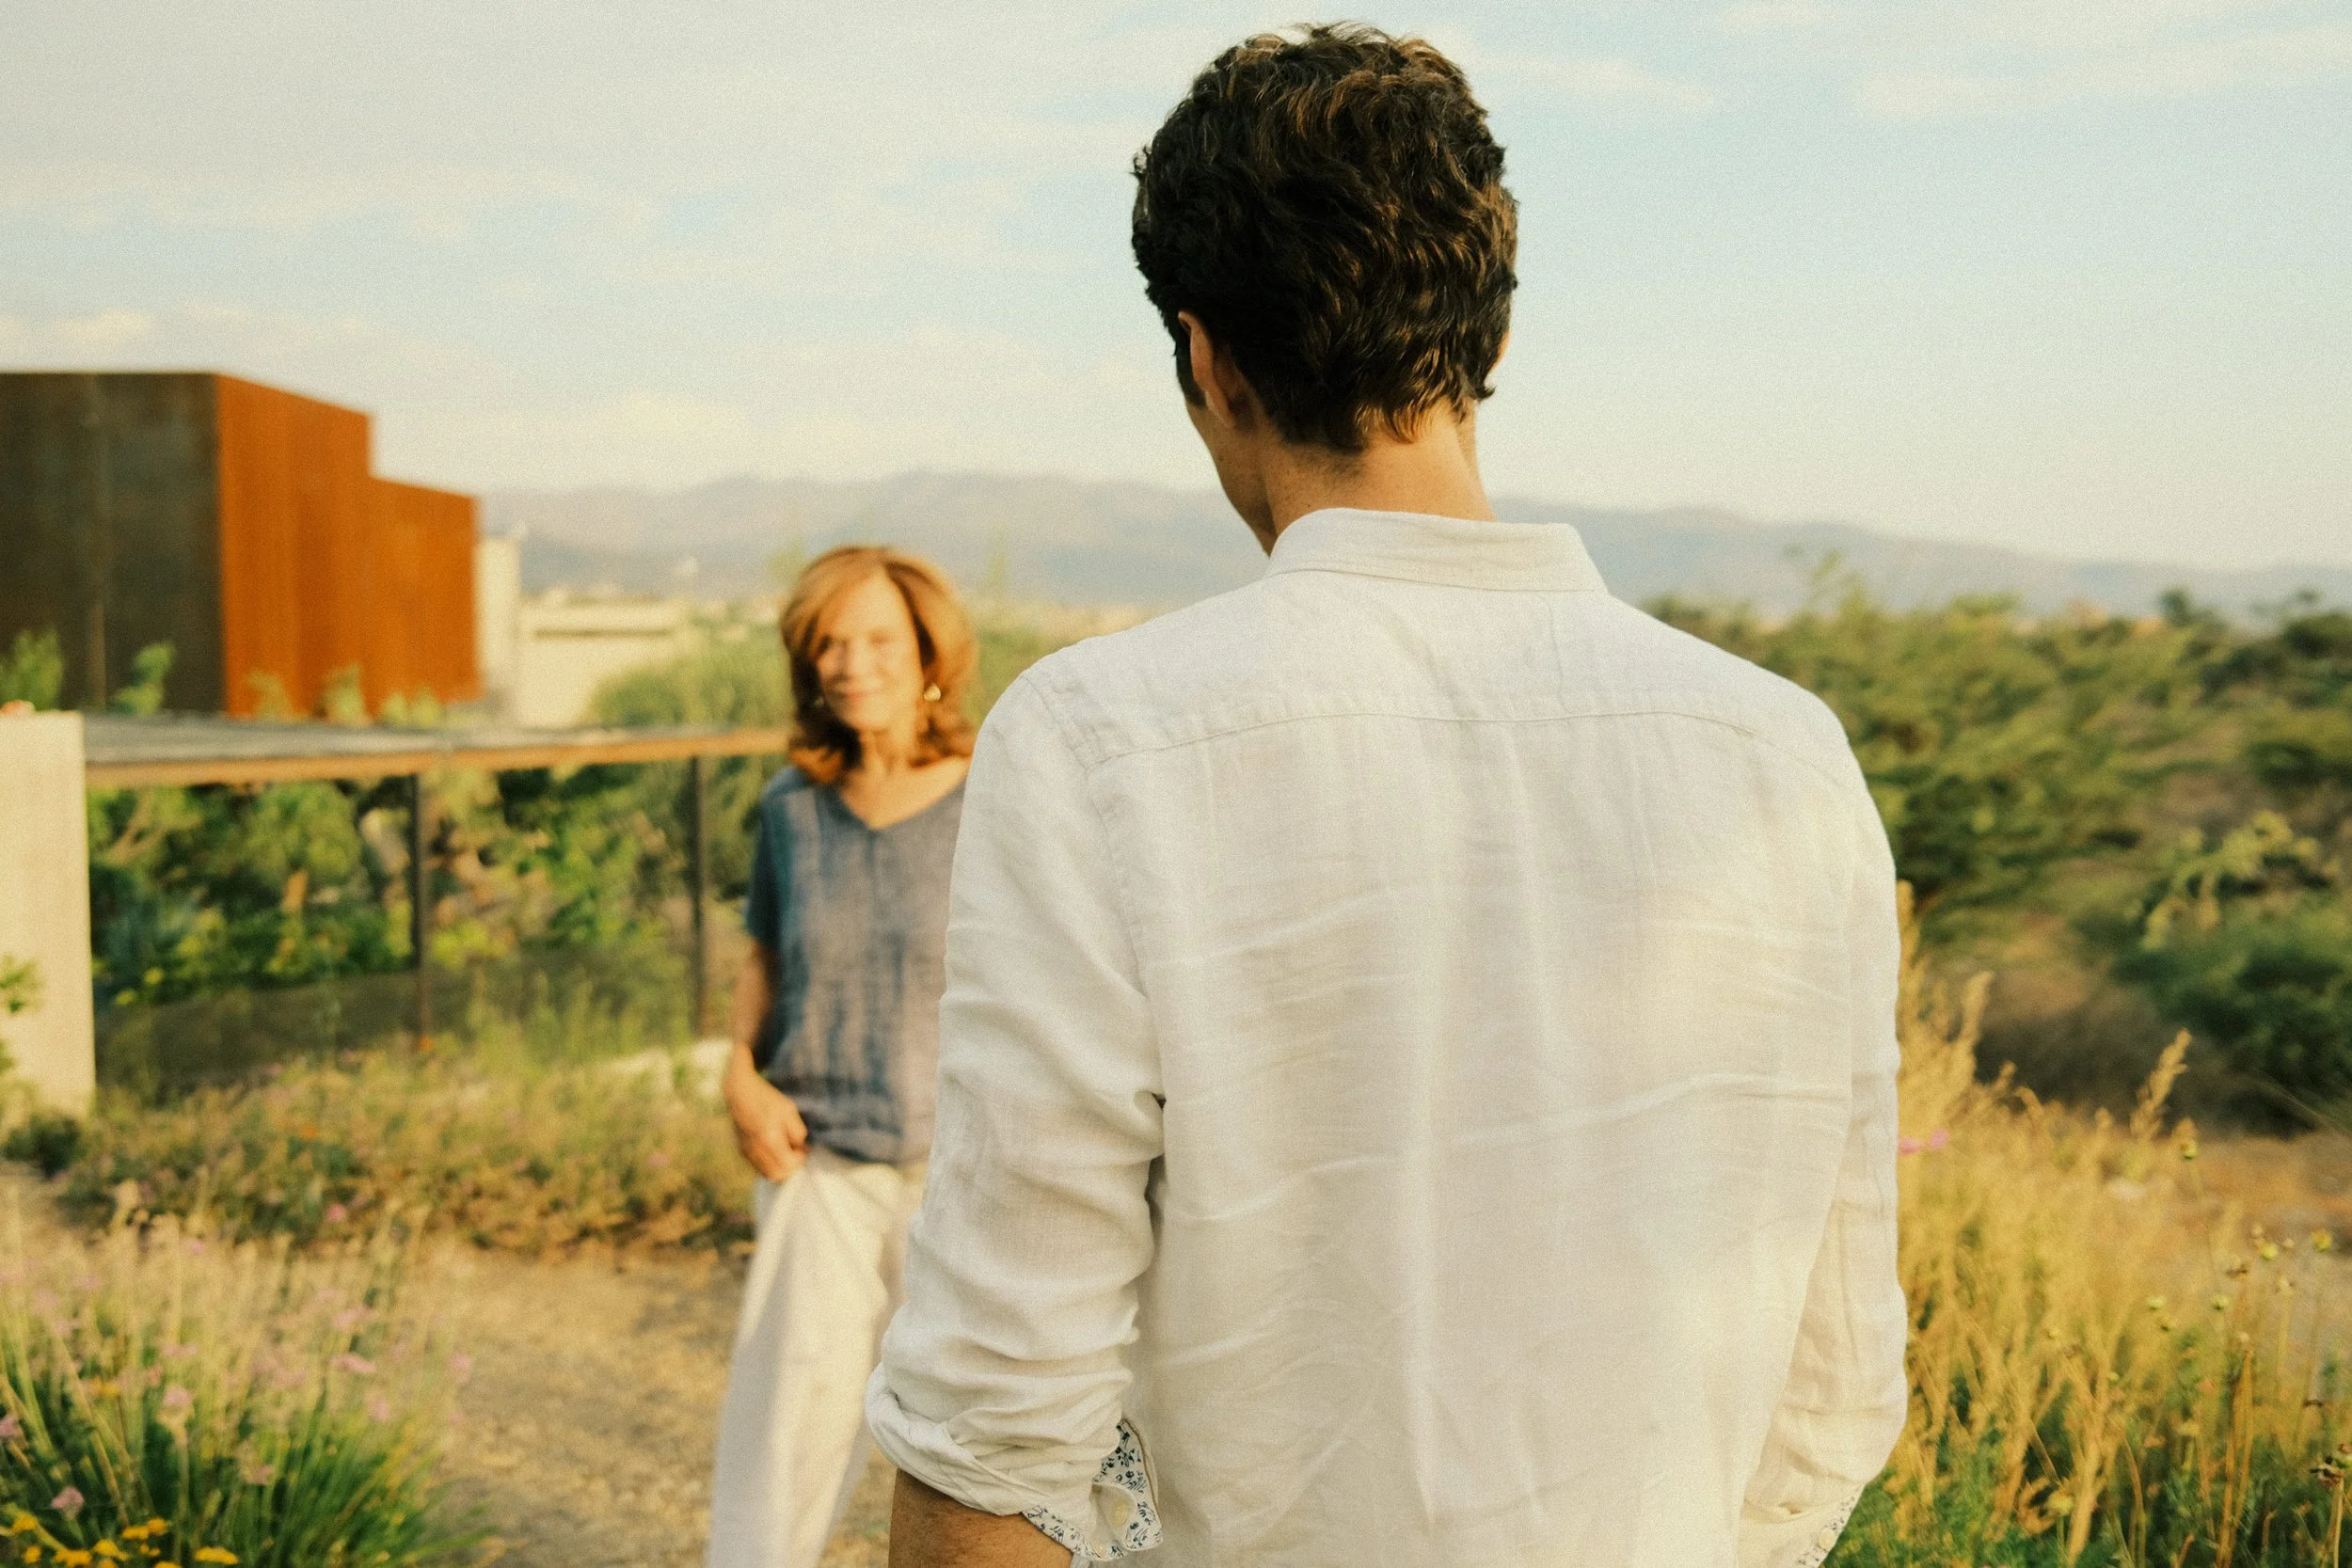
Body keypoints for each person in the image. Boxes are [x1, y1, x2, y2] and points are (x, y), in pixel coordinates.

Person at [866, 23, 1908, 1568]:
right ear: (1481, 339)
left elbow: (997, 1434)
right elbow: (1831, 1384)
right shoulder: (1785, 754)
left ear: (1206, 359)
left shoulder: (1103, 741)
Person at [706, 545, 977, 1568]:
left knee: (982, 1446)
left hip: (959, 1180)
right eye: (829, 643)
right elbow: (764, 955)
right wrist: (739, 1072)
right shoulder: (789, 805)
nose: (851, 662)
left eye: (875, 639)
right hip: (816, 1165)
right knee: (780, 1444)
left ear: (926, 653)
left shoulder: (989, 794)